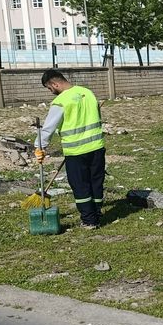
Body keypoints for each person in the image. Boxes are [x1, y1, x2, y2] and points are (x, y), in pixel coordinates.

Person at [34, 70, 106, 229]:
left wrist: (39, 147)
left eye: (49, 88)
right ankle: (97, 213)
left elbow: (48, 128)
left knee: (81, 186)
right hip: (97, 147)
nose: (50, 91)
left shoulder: (61, 101)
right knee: (96, 182)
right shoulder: (87, 92)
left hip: (76, 151)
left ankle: (89, 220)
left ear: (55, 84)